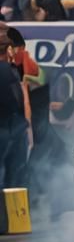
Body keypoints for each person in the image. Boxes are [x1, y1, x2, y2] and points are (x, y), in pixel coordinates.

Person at [0, 36, 30, 198]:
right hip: (12, 129)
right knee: (15, 180)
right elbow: (18, 101)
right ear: (8, 50)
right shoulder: (9, 71)